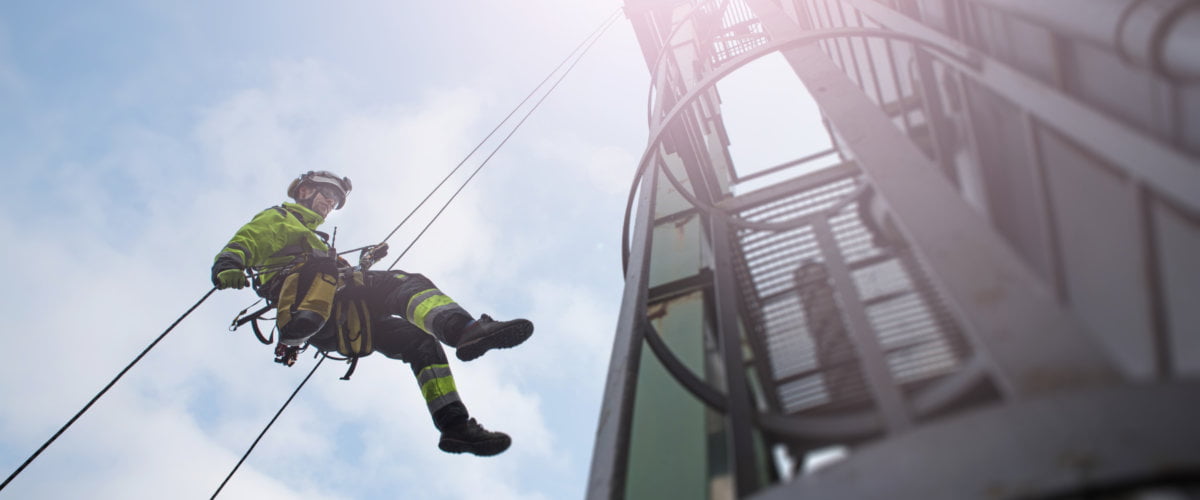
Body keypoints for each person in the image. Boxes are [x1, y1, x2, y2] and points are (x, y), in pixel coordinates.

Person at [210, 170, 534, 457]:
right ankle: (464, 330)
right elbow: (251, 238)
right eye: (326, 195)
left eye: (335, 201)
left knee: (420, 342)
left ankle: (455, 426)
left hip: (333, 318)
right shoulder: (284, 218)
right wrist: (229, 263)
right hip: (314, 302)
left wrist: (364, 264)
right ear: (305, 191)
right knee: (405, 284)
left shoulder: (314, 239)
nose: (329, 204)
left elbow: (337, 279)